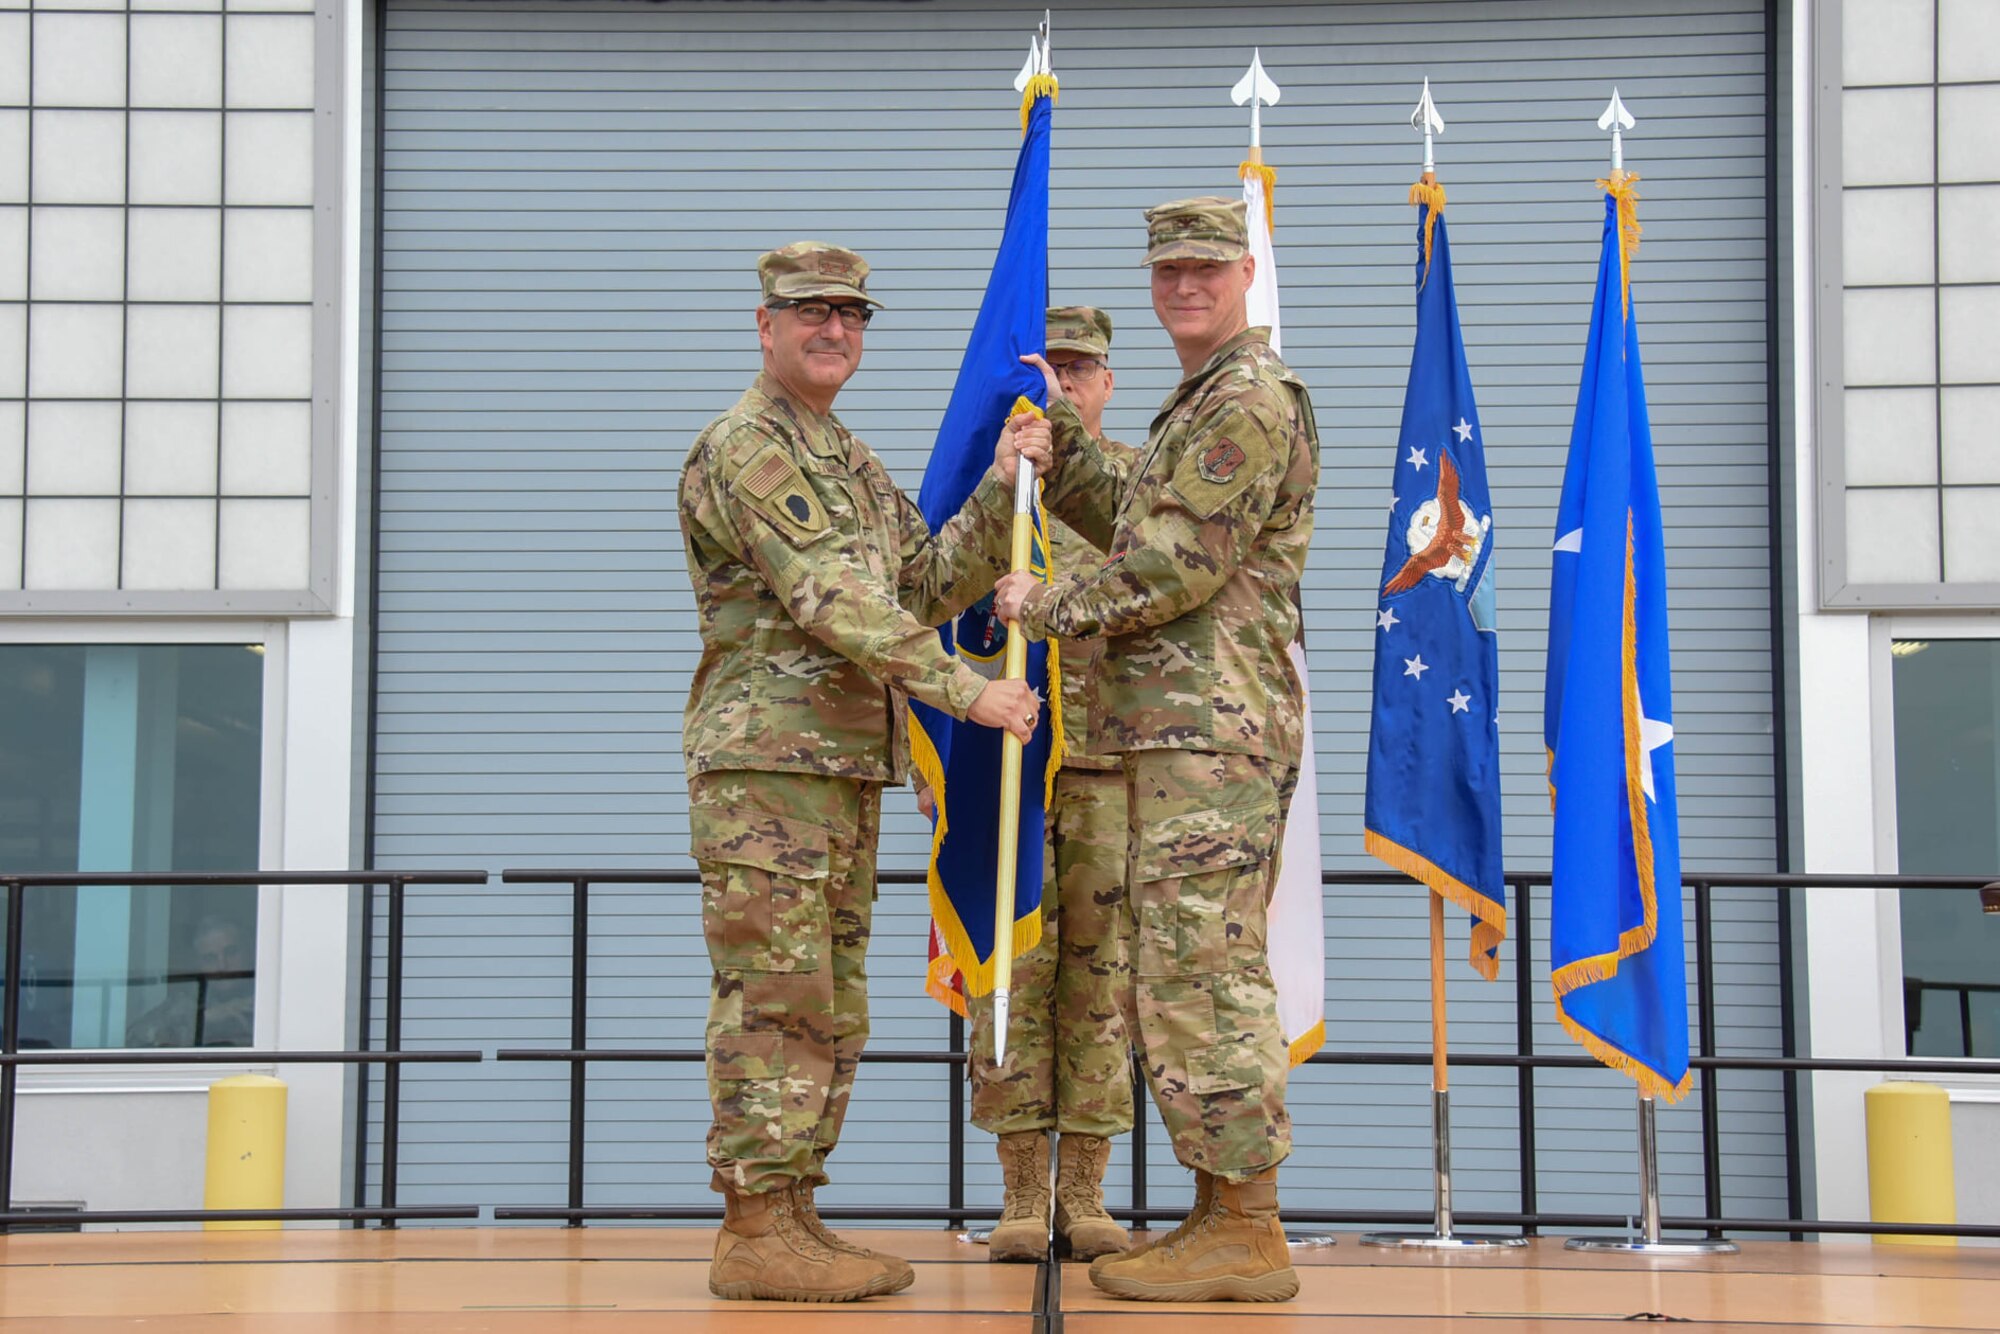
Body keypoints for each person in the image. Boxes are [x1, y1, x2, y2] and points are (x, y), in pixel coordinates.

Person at [679, 240, 1047, 1304]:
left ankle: (791, 1210)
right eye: (810, 312)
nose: (833, 329)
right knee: (773, 993)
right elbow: (832, 596)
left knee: (830, 1001)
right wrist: (963, 691)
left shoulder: (841, 454)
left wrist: (994, 489)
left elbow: (923, 580)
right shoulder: (748, 446)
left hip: (835, 766)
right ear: (766, 324)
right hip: (767, 765)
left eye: (850, 313)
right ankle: (752, 1222)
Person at [995, 198, 1320, 1303]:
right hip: (1174, 737)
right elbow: (1143, 510)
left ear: (1243, 274)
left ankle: (1245, 1224)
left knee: (1202, 974)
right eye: (1167, 270)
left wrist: (1044, 601)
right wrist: (1064, 447)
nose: (1183, 285)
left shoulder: (1245, 398)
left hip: (1207, 734)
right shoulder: (1202, 400)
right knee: (1180, 972)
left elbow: (1172, 565)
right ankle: (1217, 1212)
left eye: (1204, 269)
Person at [964, 306, 1134, 1264]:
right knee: (1014, 977)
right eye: (1047, 370)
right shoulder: (994, 493)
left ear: (1107, 382)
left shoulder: (1140, 488)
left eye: (1079, 370)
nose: (1063, 386)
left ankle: (1088, 1197)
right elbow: (939, 622)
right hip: (1011, 774)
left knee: (1103, 986)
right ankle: (1024, 1194)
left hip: (1113, 770)